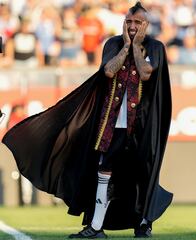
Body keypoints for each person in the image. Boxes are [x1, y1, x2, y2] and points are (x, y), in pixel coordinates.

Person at [2, 2, 172, 239]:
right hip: (113, 122)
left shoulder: (155, 47)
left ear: (146, 25)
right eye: (129, 22)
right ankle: (96, 226)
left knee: (143, 172)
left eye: (137, 23)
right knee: (104, 170)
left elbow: (145, 72)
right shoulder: (113, 44)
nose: (132, 27)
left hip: (142, 124)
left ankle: (144, 224)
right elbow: (109, 71)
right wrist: (125, 47)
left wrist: (136, 48)